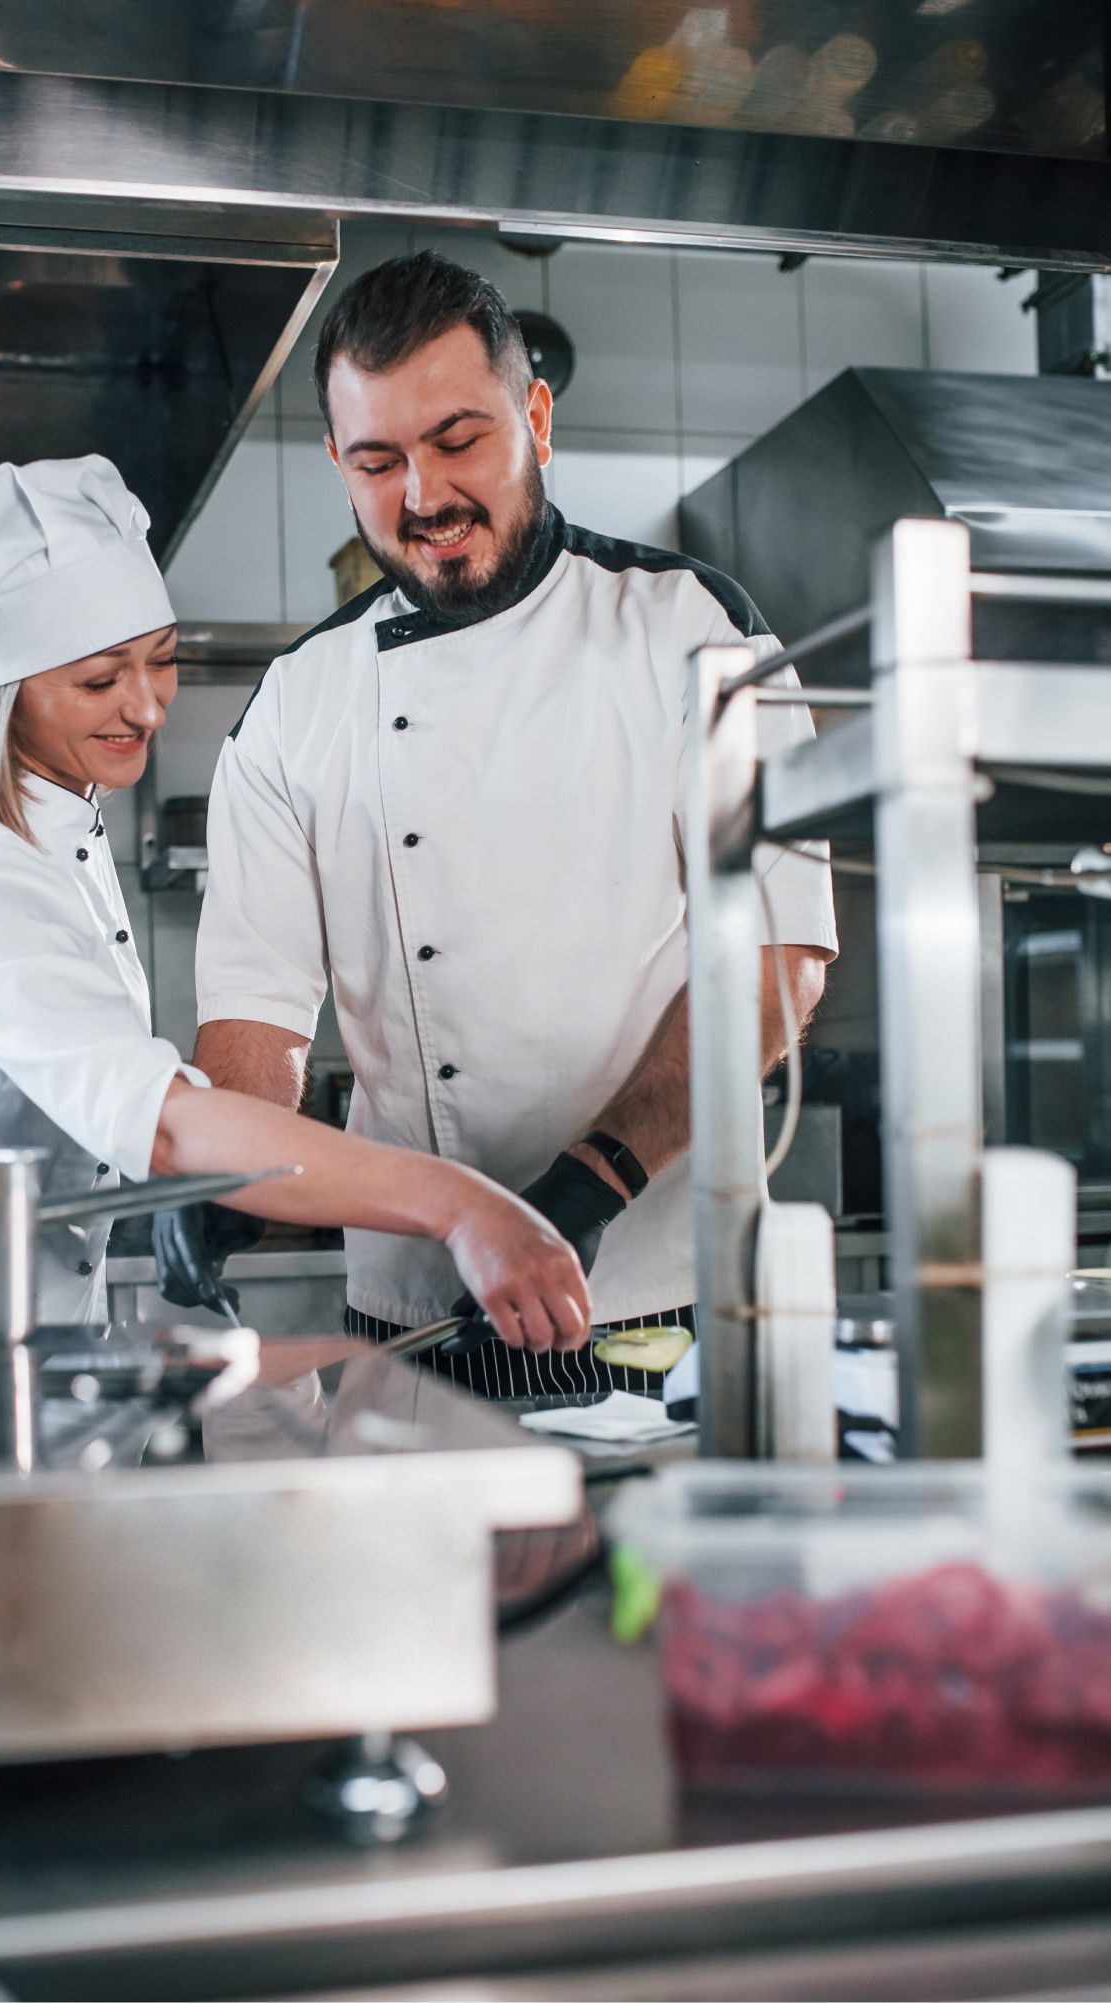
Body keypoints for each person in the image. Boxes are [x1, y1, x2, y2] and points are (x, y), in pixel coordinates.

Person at [190, 252, 838, 1399]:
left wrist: (589, 1184)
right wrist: (218, 1178)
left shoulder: (691, 629)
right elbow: (257, 1016)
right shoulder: (298, 702)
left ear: (534, 416)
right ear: (336, 462)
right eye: (380, 461)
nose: (425, 498)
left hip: (651, 1293)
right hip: (409, 1312)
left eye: (459, 441)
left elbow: (777, 962)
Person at [0, 454, 591, 1341]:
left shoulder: (53, 813)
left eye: (161, 662)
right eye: (100, 681)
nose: (146, 707)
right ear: (8, 692)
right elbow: (165, 1129)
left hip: (27, 1338)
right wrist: (462, 1205)